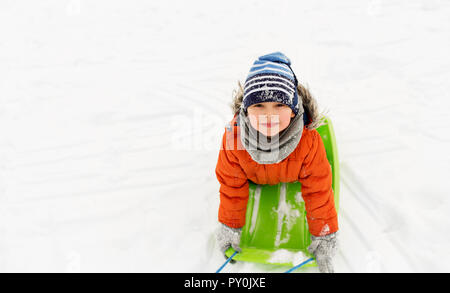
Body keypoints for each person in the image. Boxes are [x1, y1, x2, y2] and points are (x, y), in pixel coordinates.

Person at [215, 52, 339, 273]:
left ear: (293, 110)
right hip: (254, 177)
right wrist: (229, 227)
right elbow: (232, 187)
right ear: (245, 110)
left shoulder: (308, 142)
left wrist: (324, 234)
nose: (269, 116)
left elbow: (319, 189)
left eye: (279, 105)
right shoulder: (234, 142)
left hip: (292, 175)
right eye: (259, 106)